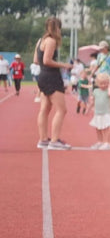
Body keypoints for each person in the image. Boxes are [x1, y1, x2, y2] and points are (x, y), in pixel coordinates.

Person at [34, 17, 74, 150]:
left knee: (45, 109)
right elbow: (46, 60)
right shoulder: (51, 41)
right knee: (62, 110)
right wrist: (64, 65)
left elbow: (36, 60)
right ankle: (54, 141)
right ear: (57, 28)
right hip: (51, 77)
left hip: (43, 76)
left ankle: (43, 139)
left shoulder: (41, 40)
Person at [91, 40, 110, 115]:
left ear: (107, 47)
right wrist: (93, 72)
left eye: (102, 48)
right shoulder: (100, 55)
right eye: (100, 49)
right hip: (102, 76)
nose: (101, 50)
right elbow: (97, 65)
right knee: (102, 93)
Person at [89, 73, 110, 150]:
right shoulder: (95, 91)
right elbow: (93, 102)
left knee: (105, 128)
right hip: (97, 113)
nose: (103, 85)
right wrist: (88, 109)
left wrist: (109, 86)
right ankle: (100, 141)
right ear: (97, 83)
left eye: (105, 83)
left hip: (105, 113)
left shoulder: (107, 91)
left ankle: (106, 142)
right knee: (98, 128)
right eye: (101, 83)